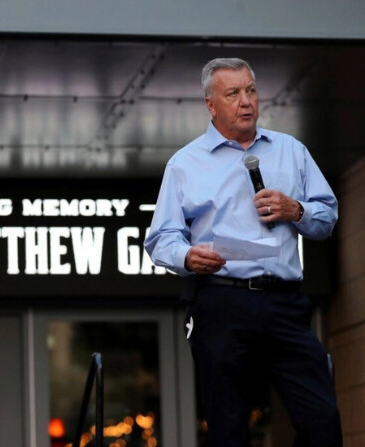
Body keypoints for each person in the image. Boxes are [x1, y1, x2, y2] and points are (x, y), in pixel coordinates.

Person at [143, 57, 342, 446]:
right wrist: (186, 257)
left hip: (286, 304)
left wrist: (295, 209)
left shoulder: (291, 150)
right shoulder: (184, 164)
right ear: (210, 104)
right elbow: (160, 238)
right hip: (222, 302)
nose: (245, 101)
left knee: (323, 421)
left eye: (250, 90)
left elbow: (327, 215)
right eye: (232, 93)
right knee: (229, 427)